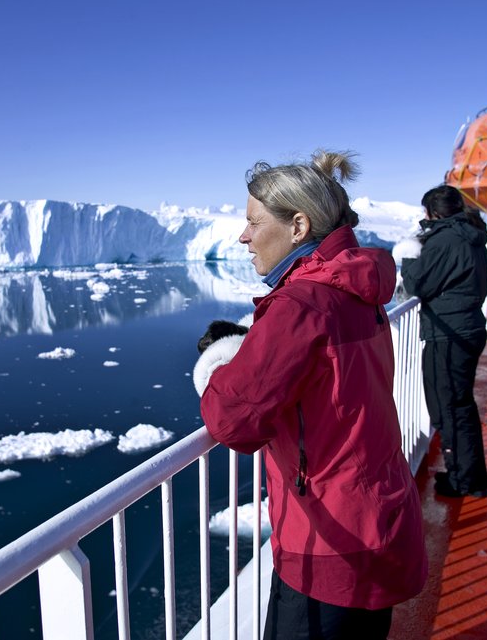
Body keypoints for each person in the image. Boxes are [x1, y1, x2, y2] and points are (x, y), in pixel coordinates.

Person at [192, 150, 427, 640]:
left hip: (329, 540)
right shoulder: (357, 286)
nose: (243, 235)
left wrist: (218, 360)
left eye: (254, 222)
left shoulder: (303, 304)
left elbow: (231, 421)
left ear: (298, 226)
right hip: (378, 513)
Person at [400, 185, 487, 498]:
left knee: (450, 407)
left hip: (449, 333)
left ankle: (466, 480)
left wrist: (410, 254)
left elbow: (416, 284)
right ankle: (467, 473)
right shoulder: (471, 234)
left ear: (432, 212)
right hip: (467, 326)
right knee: (459, 404)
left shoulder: (445, 240)